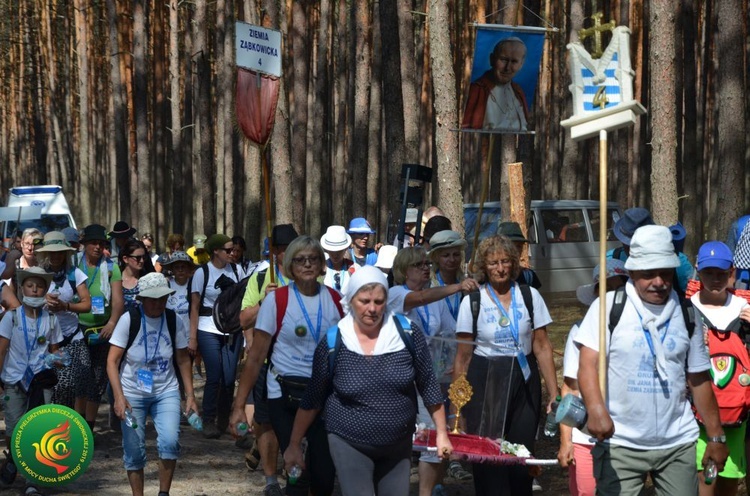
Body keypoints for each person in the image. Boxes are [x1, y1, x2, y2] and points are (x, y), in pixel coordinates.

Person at [576, 225, 728, 496]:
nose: (659, 281)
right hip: (620, 441)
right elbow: (588, 364)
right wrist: (596, 410)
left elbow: (699, 378)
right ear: (632, 272)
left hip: (677, 444)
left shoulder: (687, 313)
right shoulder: (608, 307)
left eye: (665, 272)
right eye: (648, 274)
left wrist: (716, 437)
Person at [281, 265, 452, 495]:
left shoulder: (407, 334)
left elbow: (428, 385)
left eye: (379, 301)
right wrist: (294, 444)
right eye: (364, 301)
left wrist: (441, 432)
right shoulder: (334, 342)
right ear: (351, 300)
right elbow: (313, 398)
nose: (372, 309)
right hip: (348, 441)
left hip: (398, 444)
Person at [229, 235, 345, 496]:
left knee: (325, 474)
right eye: (300, 260)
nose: (307, 264)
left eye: (313, 259)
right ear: (290, 266)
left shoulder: (337, 301)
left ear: (321, 264)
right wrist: (239, 406)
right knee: (298, 469)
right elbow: (256, 356)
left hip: (323, 395)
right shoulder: (277, 300)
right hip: (284, 394)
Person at [452, 234, 557, 496]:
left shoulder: (529, 296)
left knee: (520, 453)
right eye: (493, 263)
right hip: (485, 379)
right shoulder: (473, 301)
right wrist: (458, 407)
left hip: (524, 378)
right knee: (488, 454)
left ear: (513, 263)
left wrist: (554, 393)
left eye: (505, 262)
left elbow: (542, 345)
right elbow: (463, 356)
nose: (500, 269)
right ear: (483, 268)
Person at [388, 244, 478, 496]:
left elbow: (450, 332)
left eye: (427, 264)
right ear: (404, 271)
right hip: (399, 376)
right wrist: (459, 286)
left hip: (428, 378)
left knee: (435, 436)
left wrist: (456, 359)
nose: (426, 269)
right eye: (419, 265)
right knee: (397, 438)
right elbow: (421, 298)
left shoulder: (436, 299)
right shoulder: (396, 293)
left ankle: (428, 491)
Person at [106, 272, 197, 496]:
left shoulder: (174, 319)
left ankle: (163, 493)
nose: (158, 303)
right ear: (142, 299)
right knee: (134, 451)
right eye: (153, 298)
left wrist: (191, 395)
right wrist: (119, 397)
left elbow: (183, 359)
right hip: (132, 393)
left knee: (169, 442)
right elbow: (112, 360)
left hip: (165, 390)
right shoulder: (130, 319)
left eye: (162, 298)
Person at [558, 259, 628, 496]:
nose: (609, 294)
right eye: (604, 288)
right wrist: (566, 441)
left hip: (627, 438)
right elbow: (569, 388)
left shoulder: (636, 329)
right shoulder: (579, 331)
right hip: (585, 436)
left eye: (616, 288)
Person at [237, 224, 298, 493]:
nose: (290, 254)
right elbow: (243, 319)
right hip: (267, 364)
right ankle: (272, 480)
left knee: (298, 423)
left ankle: (294, 471)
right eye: (284, 250)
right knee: (266, 422)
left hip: (299, 365)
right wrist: (264, 301)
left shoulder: (311, 278)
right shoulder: (262, 279)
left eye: (293, 248)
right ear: (274, 252)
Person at [690, 241, 750, 496]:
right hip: (698, 413)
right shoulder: (687, 309)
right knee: (706, 475)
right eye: (708, 273)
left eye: (721, 273)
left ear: (732, 273)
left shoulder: (744, 309)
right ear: (697, 271)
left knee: (729, 476)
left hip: (736, 413)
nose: (715, 279)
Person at [0, 267, 63, 496]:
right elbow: (1, 350)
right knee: (14, 428)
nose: (34, 290)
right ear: (22, 288)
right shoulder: (11, 317)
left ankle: (30, 481)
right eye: (30, 285)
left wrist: (57, 359)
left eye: (39, 286)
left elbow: (55, 350)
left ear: (45, 290)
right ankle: (14, 459)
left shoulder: (52, 319)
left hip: (40, 380)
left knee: (36, 430)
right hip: (14, 379)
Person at [188, 234, 242, 438]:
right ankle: (208, 419)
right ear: (216, 252)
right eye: (228, 250)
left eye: (234, 250)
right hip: (207, 328)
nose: (232, 253)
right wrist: (193, 337)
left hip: (232, 329)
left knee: (229, 378)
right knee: (214, 376)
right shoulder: (202, 273)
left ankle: (224, 420)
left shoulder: (237, 270)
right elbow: (194, 307)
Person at [36, 231, 92, 414]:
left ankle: (71, 427)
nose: (56, 256)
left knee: (74, 383)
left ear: (66, 253)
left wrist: (65, 306)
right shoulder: (38, 275)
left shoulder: (75, 274)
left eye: (60, 252)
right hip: (45, 340)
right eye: (52, 252)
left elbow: (87, 304)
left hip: (72, 338)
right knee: (50, 386)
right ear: (45, 254)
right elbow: (27, 302)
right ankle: (48, 426)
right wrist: (42, 299)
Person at [77, 224, 125, 431]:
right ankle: (77, 425)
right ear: (84, 244)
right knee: (80, 376)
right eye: (93, 243)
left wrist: (112, 323)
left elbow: (118, 301)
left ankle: (89, 427)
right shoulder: (74, 265)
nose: (97, 247)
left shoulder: (112, 267)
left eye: (101, 243)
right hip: (77, 329)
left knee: (97, 379)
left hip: (103, 330)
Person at [462, 37, 530, 131]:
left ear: (521, 65)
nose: (507, 68)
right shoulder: (476, 90)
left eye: (514, 61)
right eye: (504, 60)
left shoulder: (518, 92)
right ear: (492, 59)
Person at [497, 221, 542, 290]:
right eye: (511, 246)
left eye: (519, 246)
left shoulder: (529, 276)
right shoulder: (488, 276)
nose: (515, 250)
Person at [119, 240, 153, 310]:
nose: (142, 261)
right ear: (125, 259)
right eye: (138, 258)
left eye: (144, 257)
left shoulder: (148, 280)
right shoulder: (115, 279)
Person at [320, 225, 355, 294]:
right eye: (332, 251)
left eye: (339, 251)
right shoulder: (320, 269)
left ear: (346, 249)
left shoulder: (355, 269)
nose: (335, 255)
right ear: (327, 250)